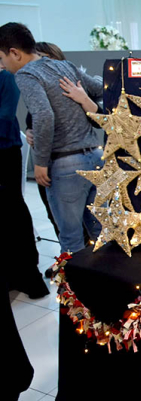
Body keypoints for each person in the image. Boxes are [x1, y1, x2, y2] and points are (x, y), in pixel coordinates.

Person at [0, 22, 104, 254]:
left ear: (14, 53)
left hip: (65, 164)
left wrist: (39, 162)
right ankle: (111, 277)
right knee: (101, 234)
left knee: (71, 240)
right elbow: (101, 87)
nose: (3, 66)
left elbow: (44, 115)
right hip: (95, 157)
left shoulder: (26, 74)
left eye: (1, 58)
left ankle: (75, 280)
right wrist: (84, 99)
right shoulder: (64, 65)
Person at [24, 42, 101, 241]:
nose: (42, 64)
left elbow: (102, 116)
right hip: (62, 159)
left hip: (66, 160)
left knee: (76, 235)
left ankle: (77, 260)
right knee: (78, 230)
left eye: (45, 58)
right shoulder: (41, 85)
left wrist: (84, 99)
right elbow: (34, 119)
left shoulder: (71, 80)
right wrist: (31, 132)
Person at [0, 62, 49, 299]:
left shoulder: (5, 78)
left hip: (5, 153)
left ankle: (28, 275)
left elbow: (5, 116)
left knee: (13, 210)